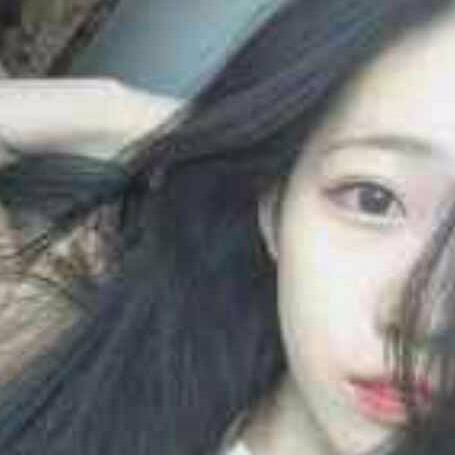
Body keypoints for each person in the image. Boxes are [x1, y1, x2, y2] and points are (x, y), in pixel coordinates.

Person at [1, 0, 455, 454]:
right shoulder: (63, 346)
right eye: (373, 199)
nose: (427, 322)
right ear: (274, 210)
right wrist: (114, 114)